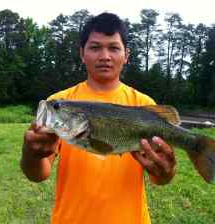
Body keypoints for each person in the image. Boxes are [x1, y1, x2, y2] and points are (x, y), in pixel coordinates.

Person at [21, 12, 176, 224]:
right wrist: (31, 155)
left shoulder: (144, 104)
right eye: (95, 47)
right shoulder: (59, 101)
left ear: (126, 55)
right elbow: (38, 175)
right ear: (82, 53)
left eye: (113, 47)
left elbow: (160, 178)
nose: (105, 56)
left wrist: (166, 172)